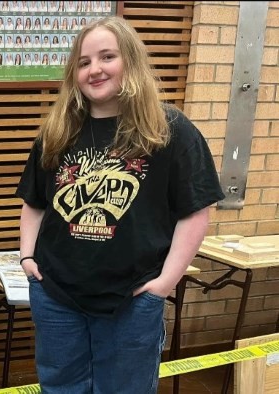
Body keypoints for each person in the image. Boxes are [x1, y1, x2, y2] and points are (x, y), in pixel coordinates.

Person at [16, 16, 224, 394]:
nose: (94, 69)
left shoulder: (169, 129)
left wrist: (164, 283)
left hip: (133, 298)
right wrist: (28, 259)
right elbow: (34, 203)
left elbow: (195, 212)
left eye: (106, 57)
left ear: (130, 60)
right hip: (56, 294)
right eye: (83, 62)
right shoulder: (57, 131)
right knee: (60, 388)